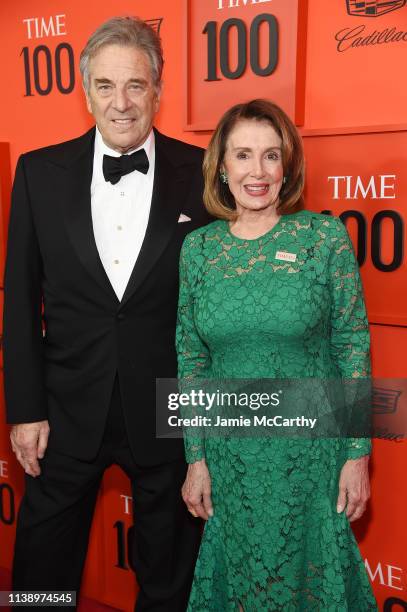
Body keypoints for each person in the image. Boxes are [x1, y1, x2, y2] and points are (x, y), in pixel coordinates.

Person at [3, 16, 209, 611]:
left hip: (169, 409)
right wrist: (25, 408)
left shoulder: (201, 172)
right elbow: (20, 300)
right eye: (105, 86)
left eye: (136, 86)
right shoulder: (39, 174)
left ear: (159, 89)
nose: (121, 104)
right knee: (41, 573)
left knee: (169, 576)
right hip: (65, 409)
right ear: (85, 90)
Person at [176, 99, 377, 611]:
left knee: (312, 579)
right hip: (231, 459)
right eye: (243, 155)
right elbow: (191, 360)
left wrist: (357, 454)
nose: (257, 171)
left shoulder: (323, 237)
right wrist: (195, 459)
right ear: (221, 166)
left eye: (271, 155)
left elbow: (352, 343)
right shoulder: (198, 249)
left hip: (310, 456)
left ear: (287, 165)